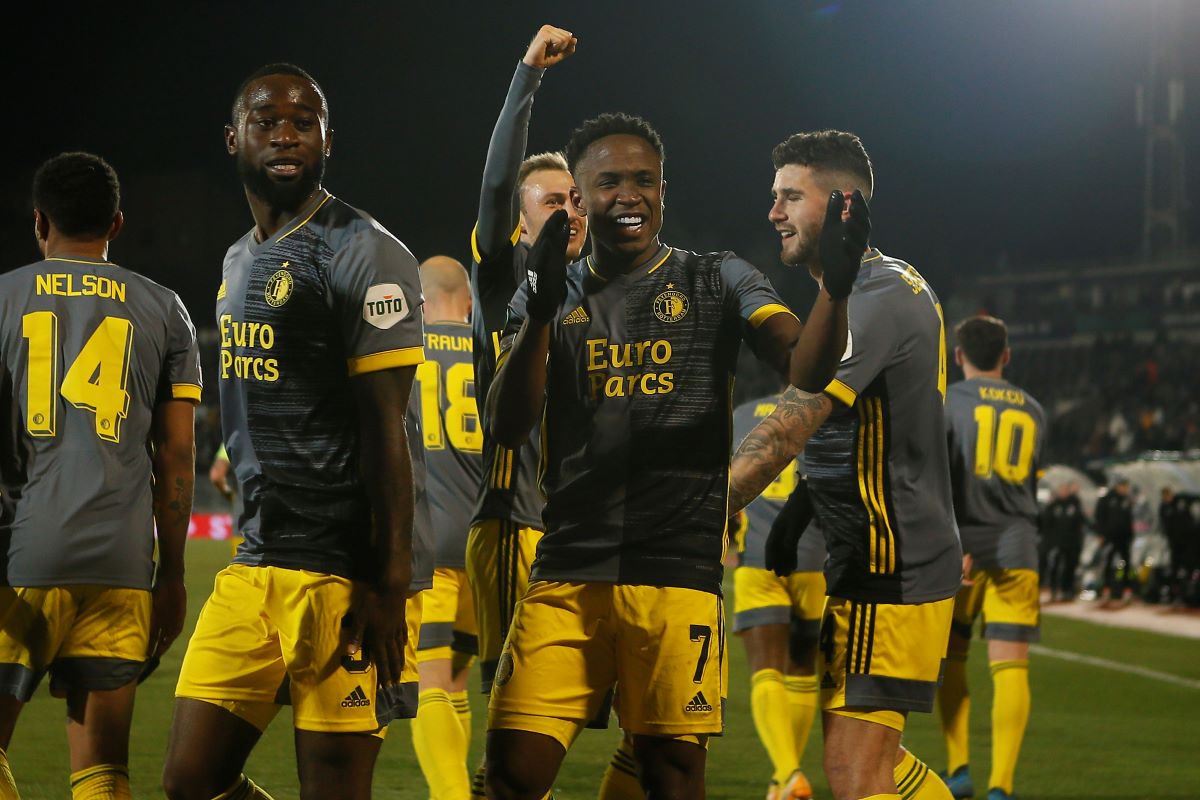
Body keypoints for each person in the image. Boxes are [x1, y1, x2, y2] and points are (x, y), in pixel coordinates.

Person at [485, 112, 863, 799]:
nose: (629, 194)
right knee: (510, 775)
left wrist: (833, 291)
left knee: (672, 777)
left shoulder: (719, 278)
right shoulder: (549, 291)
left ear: (664, 189)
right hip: (568, 571)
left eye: (644, 180)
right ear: (577, 195)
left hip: (677, 574)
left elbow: (803, 368)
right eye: (608, 182)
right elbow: (506, 424)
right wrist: (539, 312)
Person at [161, 63, 431, 800]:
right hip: (253, 562)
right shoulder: (237, 258)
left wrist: (389, 582)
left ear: (327, 139)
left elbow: (387, 429)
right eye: (267, 121)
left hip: (339, 571)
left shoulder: (363, 250)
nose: (285, 135)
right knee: (190, 781)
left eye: (302, 122)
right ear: (233, 138)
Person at [729, 130, 960, 800]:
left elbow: (786, 429)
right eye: (774, 197)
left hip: (889, 564)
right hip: (893, 552)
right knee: (878, 763)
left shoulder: (870, 298)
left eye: (790, 196)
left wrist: (696, 515)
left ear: (842, 206)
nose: (773, 212)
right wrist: (803, 505)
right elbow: (870, 422)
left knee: (854, 773)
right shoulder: (888, 281)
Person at [0, 152, 200, 799]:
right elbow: (176, 456)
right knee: (103, 770)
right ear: (116, 223)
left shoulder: (4, 298)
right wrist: (171, 575)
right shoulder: (166, 309)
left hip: (22, 555)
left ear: (38, 221)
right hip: (120, 565)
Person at [467, 24, 587, 710]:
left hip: (588, 528)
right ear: (518, 222)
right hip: (516, 521)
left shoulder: (606, 289)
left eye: (575, 200)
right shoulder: (503, 272)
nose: (569, 211)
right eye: (550, 201)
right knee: (513, 715)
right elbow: (496, 184)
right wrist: (527, 78)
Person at [937, 315, 1046, 800]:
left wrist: (954, 539)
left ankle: (959, 769)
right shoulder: (1036, 410)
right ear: (1006, 355)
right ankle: (1002, 786)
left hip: (962, 549)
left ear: (958, 356)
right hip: (1018, 545)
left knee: (951, 655)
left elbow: (942, 479)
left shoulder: (947, 403)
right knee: (1012, 667)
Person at [409, 256, 485, 799]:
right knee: (458, 681)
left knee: (430, 680)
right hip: (490, 543)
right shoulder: (498, 353)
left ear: (419, 302)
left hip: (427, 539)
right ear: (470, 302)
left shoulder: (403, 357)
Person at [730, 395, 826, 800]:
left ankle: (787, 774)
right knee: (803, 670)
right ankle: (781, 782)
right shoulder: (824, 412)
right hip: (815, 555)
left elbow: (726, 480)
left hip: (758, 556)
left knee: (765, 670)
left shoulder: (741, 415)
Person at [1041, 483, 1086, 602]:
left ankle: (1068, 591)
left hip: (1071, 543)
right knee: (1055, 567)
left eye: (1066, 490)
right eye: (1062, 490)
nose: (1064, 492)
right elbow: (1046, 524)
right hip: (1056, 543)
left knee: (1070, 567)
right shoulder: (1053, 506)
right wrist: (1049, 542)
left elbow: (1081, 522)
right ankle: (1053, 590)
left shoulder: (1074, 504)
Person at [1095, 477, 1135, 605]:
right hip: (1110, 538)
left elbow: (1129, 519)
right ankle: (1106, 591)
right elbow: (1099, 517)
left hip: (1124, 538)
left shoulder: (1127, 500)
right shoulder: (1107, 499)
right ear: (1118, 486)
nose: (1125, 489)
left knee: (1126, 564)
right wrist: (1101, 534)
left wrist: (1130, 535)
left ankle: (1127, 591)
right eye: (1123, 486)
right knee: (1107, 563)